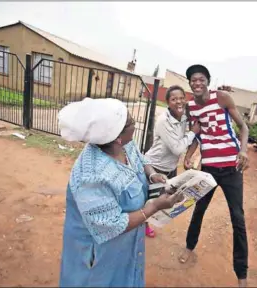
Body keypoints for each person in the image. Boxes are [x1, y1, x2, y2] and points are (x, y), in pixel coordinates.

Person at [57, 97, 183, 287]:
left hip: (125, 246)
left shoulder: (124, 144)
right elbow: (110, 225)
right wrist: (154, 206)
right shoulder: (91, 177)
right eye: (131, 122)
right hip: (100, 255)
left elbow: (139, 160)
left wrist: (152, 175)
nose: (135, 124)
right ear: (117, 136)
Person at [178, 64, 250, 287]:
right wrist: (189, 155)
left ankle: (242, 275)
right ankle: (189, 247)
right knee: (198, 209)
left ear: (207, 81)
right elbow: (198, 135)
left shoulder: (222, 98)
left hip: (231, 168)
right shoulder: (191, 107)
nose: (197, 83)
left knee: (237, 219)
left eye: (201, 79)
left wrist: (244, 149)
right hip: (208, 168)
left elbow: (244, 127)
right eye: (193, 80)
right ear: (190, 83)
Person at [144, 85, 201, 237]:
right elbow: (177, 149)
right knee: (149, 199)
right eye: (174, 99)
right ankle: (143, 224)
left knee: (166, 197)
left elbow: (199, 104)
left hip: (170, 167)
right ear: (168, 102)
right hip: (155, 166)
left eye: (181, 98)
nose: (179, 102)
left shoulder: (183, 116)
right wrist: (192, 133)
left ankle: (149, 220)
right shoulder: (164, 121)